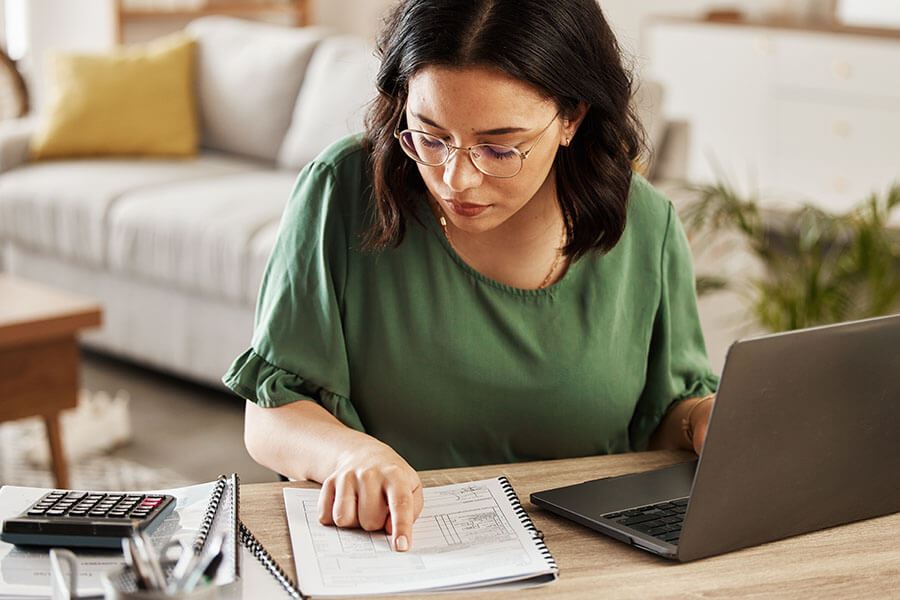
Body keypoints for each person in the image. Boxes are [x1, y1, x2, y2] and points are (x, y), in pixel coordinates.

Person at [224, 0, 718, 554]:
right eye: (430, 137)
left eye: (499, 147)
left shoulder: (646, 225)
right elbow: (269, 416)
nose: (455, 179)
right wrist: (350, 454)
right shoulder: (342, 192)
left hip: (593, 559)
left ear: (572, 119)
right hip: (397, 552)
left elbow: (666, 415)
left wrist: (703, 420)